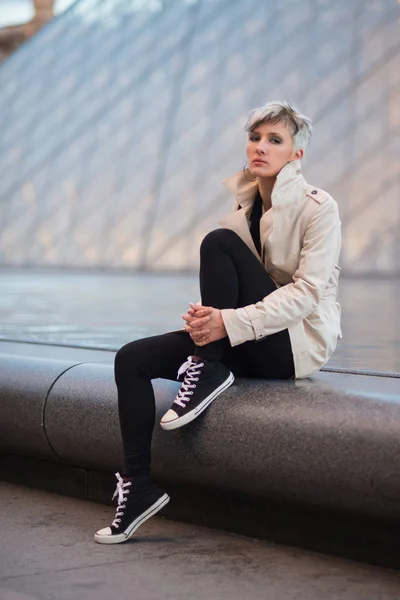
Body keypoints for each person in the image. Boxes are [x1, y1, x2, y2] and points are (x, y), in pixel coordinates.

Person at [94, 101, 342, 544]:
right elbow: (240, 292)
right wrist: (211, 316)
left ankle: (206, 366)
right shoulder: (245, 208)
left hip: (293, 344)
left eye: (274, 140)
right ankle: (137, 488)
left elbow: (306, 294)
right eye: (255, 137)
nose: (260, 147)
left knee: (217, 243)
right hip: (249, 334)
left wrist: (225, 321)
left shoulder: (318, 208)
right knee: (130, 359)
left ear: (296, 155)